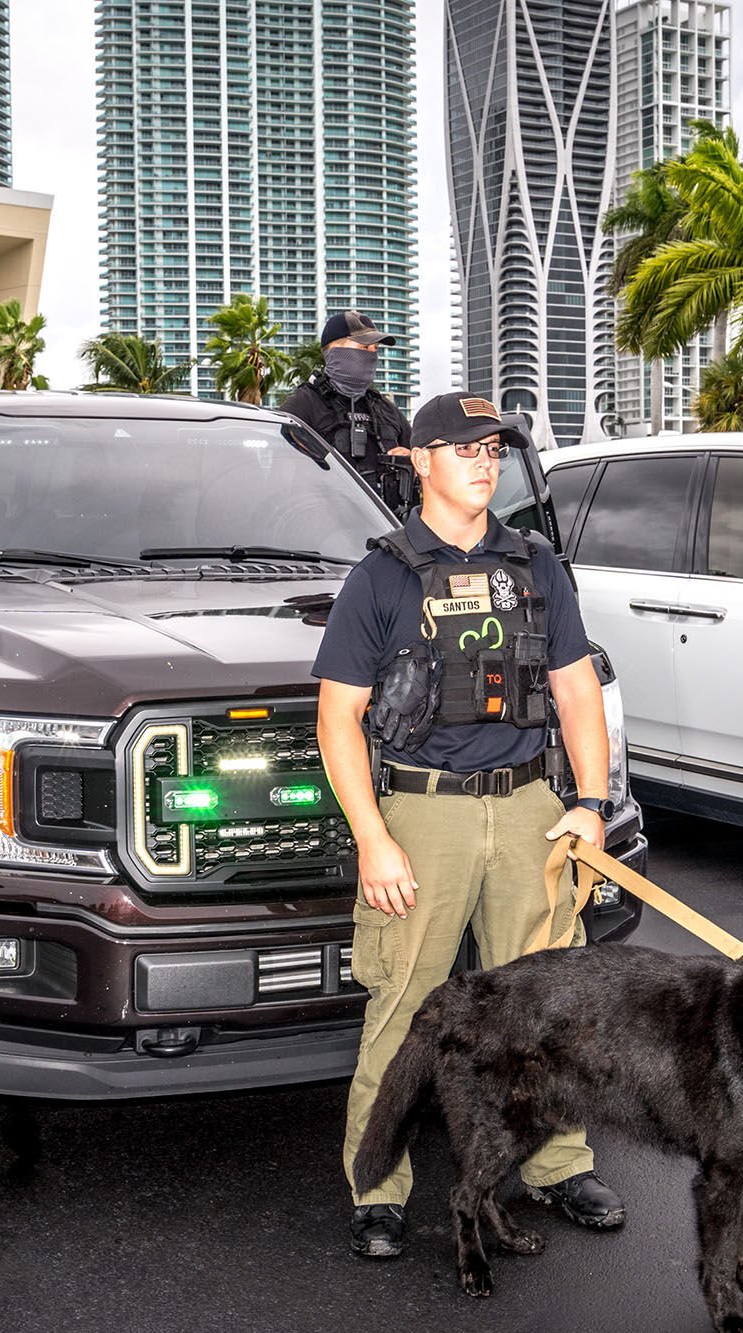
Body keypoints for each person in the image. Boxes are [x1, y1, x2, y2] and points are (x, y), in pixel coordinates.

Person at [313, 390, 625, 1259]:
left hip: (531, 809)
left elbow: (573, 689)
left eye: (494, 448)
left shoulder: (536, 566)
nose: (485, 462)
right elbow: (339, 716)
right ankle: (378, 1186)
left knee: (549, 1007)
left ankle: (560, 1162)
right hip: (424, 814)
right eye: (463, 448)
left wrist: (590, 806)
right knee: (405, 1008)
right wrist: (374, 837)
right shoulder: (379, 575)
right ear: (419, 460)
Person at [278, 310, 411, 510]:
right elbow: (284, 476)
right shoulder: (302, 406)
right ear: (333, 351)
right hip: (326, 526)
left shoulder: (385, 409)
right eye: (364, 347)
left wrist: (411, 460)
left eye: (375, 348)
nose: (372, 354)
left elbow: (423, 459)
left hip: (388, 526)